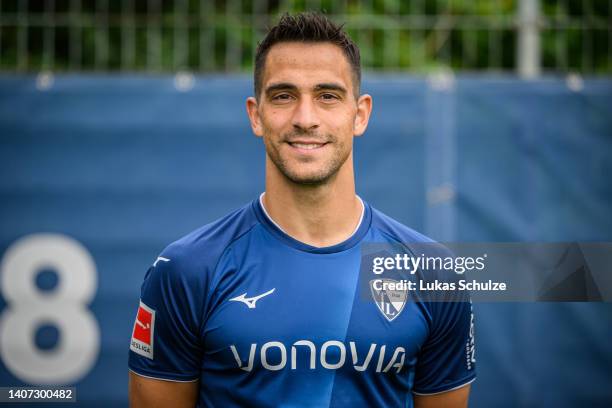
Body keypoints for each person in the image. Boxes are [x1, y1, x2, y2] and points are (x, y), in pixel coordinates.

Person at [128, 12, 475, 408]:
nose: (305, 119)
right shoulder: (187, 269)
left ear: (359, 114)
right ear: (255, 115)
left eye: (327, 96)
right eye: (283, 96)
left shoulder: (435, 274)